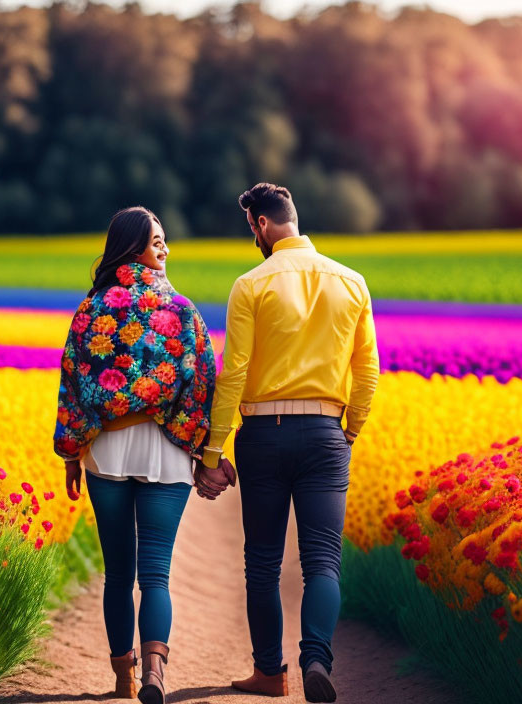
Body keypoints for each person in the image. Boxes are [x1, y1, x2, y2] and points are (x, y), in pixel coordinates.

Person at [195, 183, 380, 702]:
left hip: (264, 435)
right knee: (323, 558)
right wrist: (350, 429)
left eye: (250, 227)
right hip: (326, 432)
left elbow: (233, 373)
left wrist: (212, 453)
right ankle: (317, 659)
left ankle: (269, 674)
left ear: (260, 225)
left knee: (263, 562)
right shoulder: (352, 282)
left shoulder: (251, 283)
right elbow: (367, 371)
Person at [54, 206, 227, 704]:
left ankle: (123, 678)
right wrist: (204, 453)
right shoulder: (183, 311)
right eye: (157, 241)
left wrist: (70, 452)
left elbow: (73, 383)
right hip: (167, 457)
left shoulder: (91, 310)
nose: (165, 249)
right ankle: (155, 672)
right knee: (156, 574)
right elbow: (201, 387)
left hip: (106, 453)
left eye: (165, 240)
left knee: (118, 574)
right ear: (132, 248)